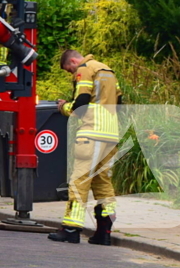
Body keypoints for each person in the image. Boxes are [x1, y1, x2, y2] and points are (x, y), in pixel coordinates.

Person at [49, 49, 122, 245]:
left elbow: (81, 102)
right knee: (103, 185)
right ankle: (103, 232)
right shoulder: (108, 71)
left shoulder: (85, 69)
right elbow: (120, 103)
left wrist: (64, 108)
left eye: (69, 69)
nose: (71, 73)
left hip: (91, 133)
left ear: (73, 60)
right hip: (111, 134)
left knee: (78, 182)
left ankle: (71, 229)